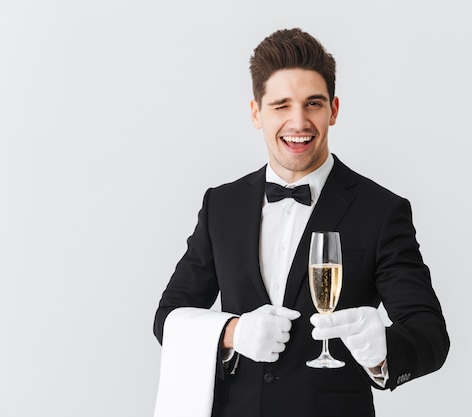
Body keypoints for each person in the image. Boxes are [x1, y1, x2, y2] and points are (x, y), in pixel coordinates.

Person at [153, 28, 449, 417]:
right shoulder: (221, 205)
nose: (299, 122)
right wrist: (234, 332)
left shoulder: (380, 210)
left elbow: (429, 333)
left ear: (334, 109)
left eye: (313, 103)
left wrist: (382, 351)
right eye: (280, 106)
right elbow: (169, 316)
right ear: (256, 112)